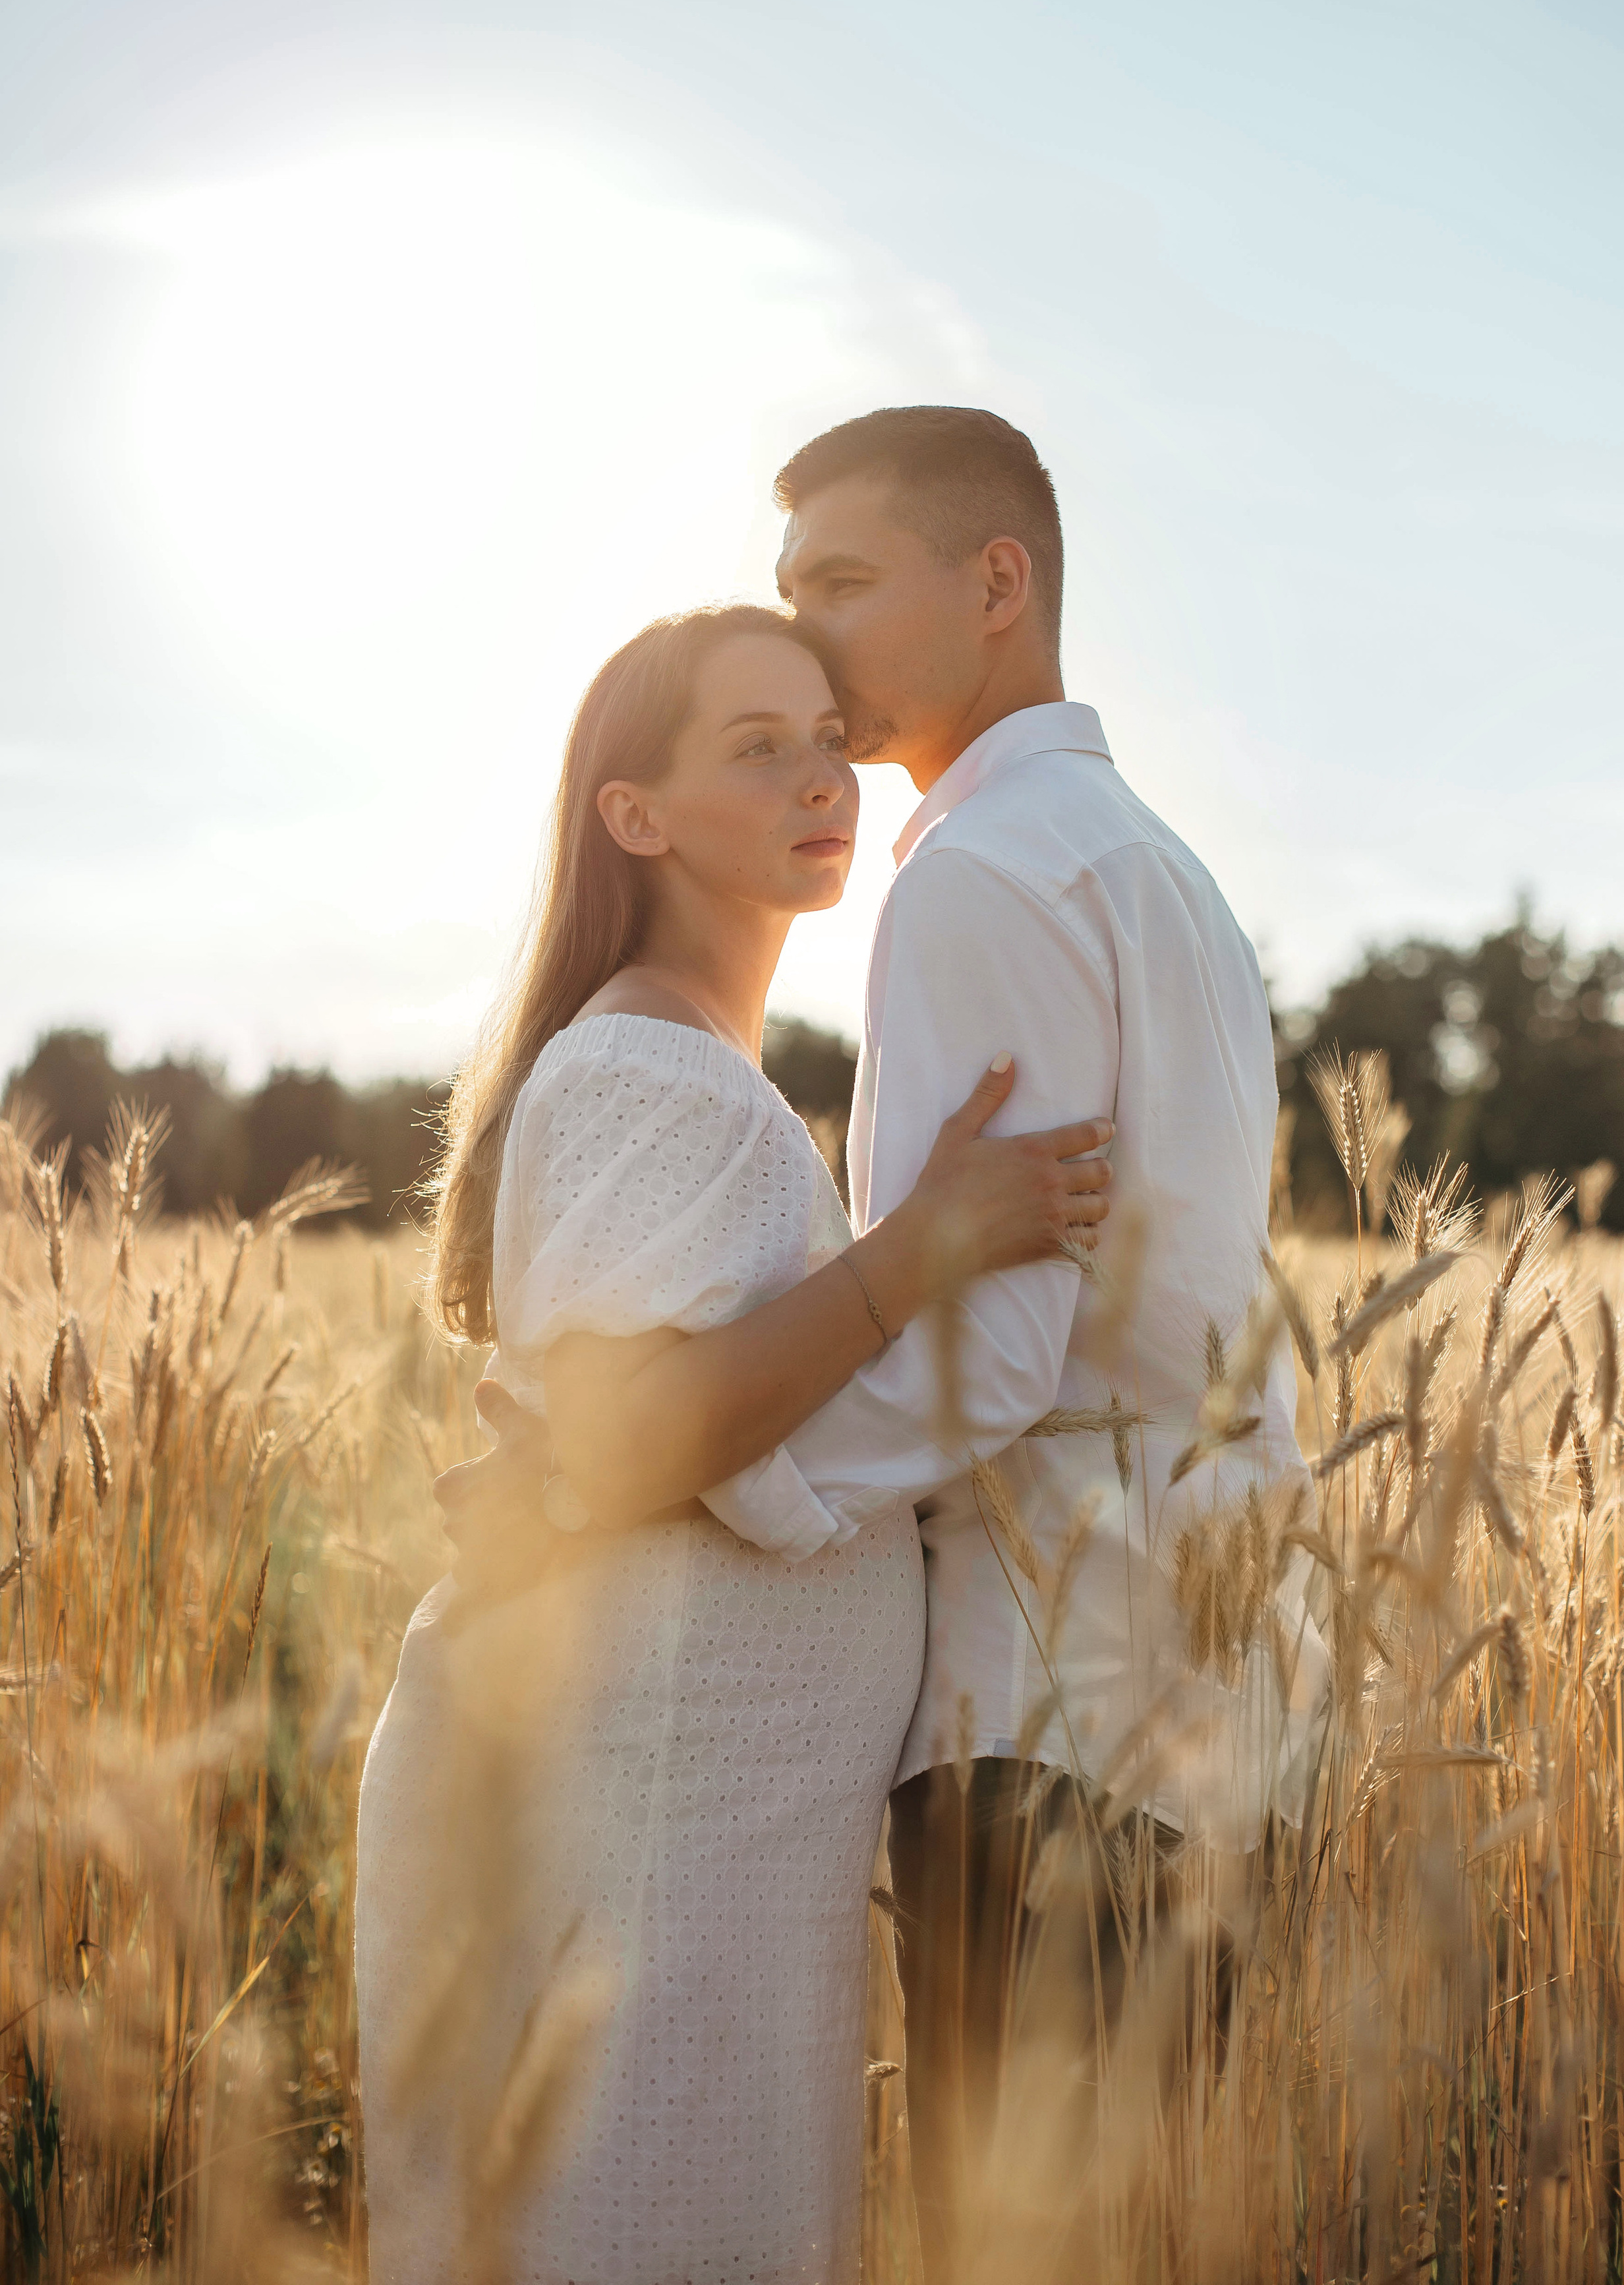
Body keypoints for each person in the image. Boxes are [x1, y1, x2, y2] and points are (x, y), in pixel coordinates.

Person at [478, 408, 1327, 2279]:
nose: (821, 637)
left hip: (1050, 1696)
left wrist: (663, 1474)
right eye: (793, 595)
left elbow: (996, 1358)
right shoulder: (1148, 861)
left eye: (847, 585)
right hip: (1197, 1672)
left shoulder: (971, 881)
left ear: (997, 584)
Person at [353, 601, 1114, 2285]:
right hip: (658, 1826)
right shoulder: (648, 1063)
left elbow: (617, 1434)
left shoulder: (694, 1064)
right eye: (757, 748)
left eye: (829, 741)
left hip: (710, 1830)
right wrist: (921, 1245)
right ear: (638, 813)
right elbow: (645, 1438)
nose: (821, 778)